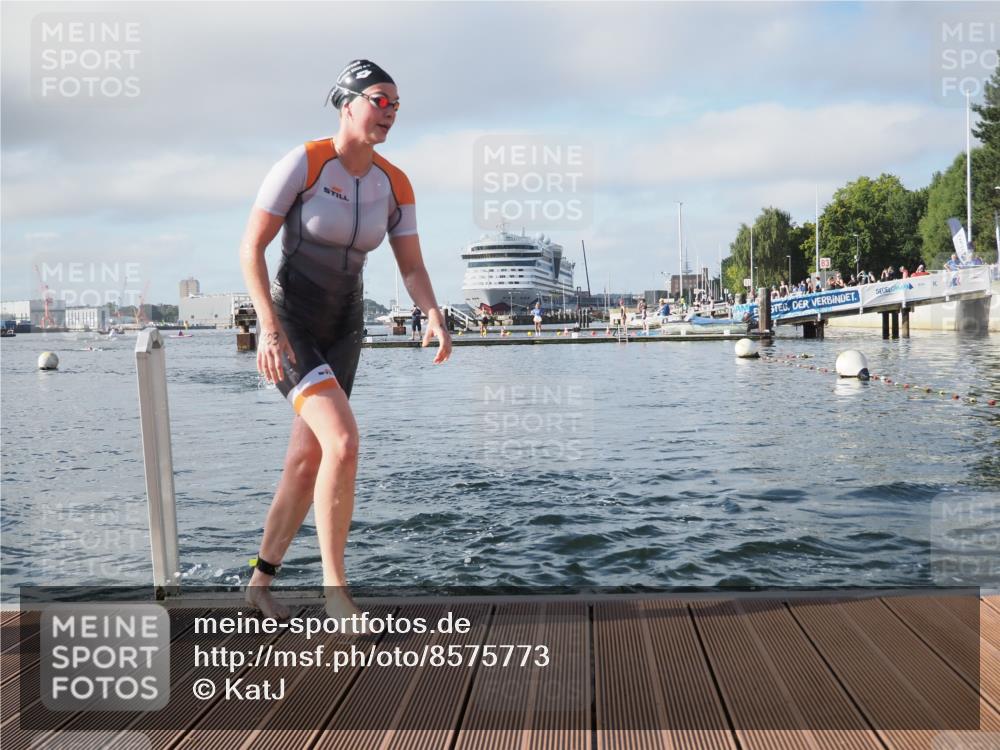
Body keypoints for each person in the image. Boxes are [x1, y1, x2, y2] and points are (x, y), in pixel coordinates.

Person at [239, 59, 452, 623]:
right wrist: (267, 325)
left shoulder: (394, 183)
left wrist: (431, 311)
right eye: (380, 100)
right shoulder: (304, 164)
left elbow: (410, 266)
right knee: (343, 442)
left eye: (397, 105)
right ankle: (335, 592)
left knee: (308, 460)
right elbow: (250, 249)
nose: (390, 113)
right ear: (347, 103)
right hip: (292, 324)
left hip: (345, 327)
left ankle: (259, 584)